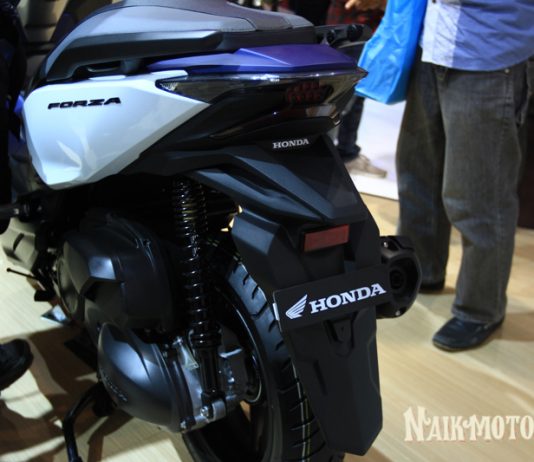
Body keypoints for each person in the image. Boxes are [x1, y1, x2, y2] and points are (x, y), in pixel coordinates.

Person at [390, 0, 533, 350]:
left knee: (479, 195)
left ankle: (480, 309)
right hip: (432, 46)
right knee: (417, 175)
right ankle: (422, 271)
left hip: (490, 56)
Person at [327, 0, 387, 177]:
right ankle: (327, 161)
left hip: (360, 27)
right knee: (339, 98)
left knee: (353, 95)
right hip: (354, 26)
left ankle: (346, 153)